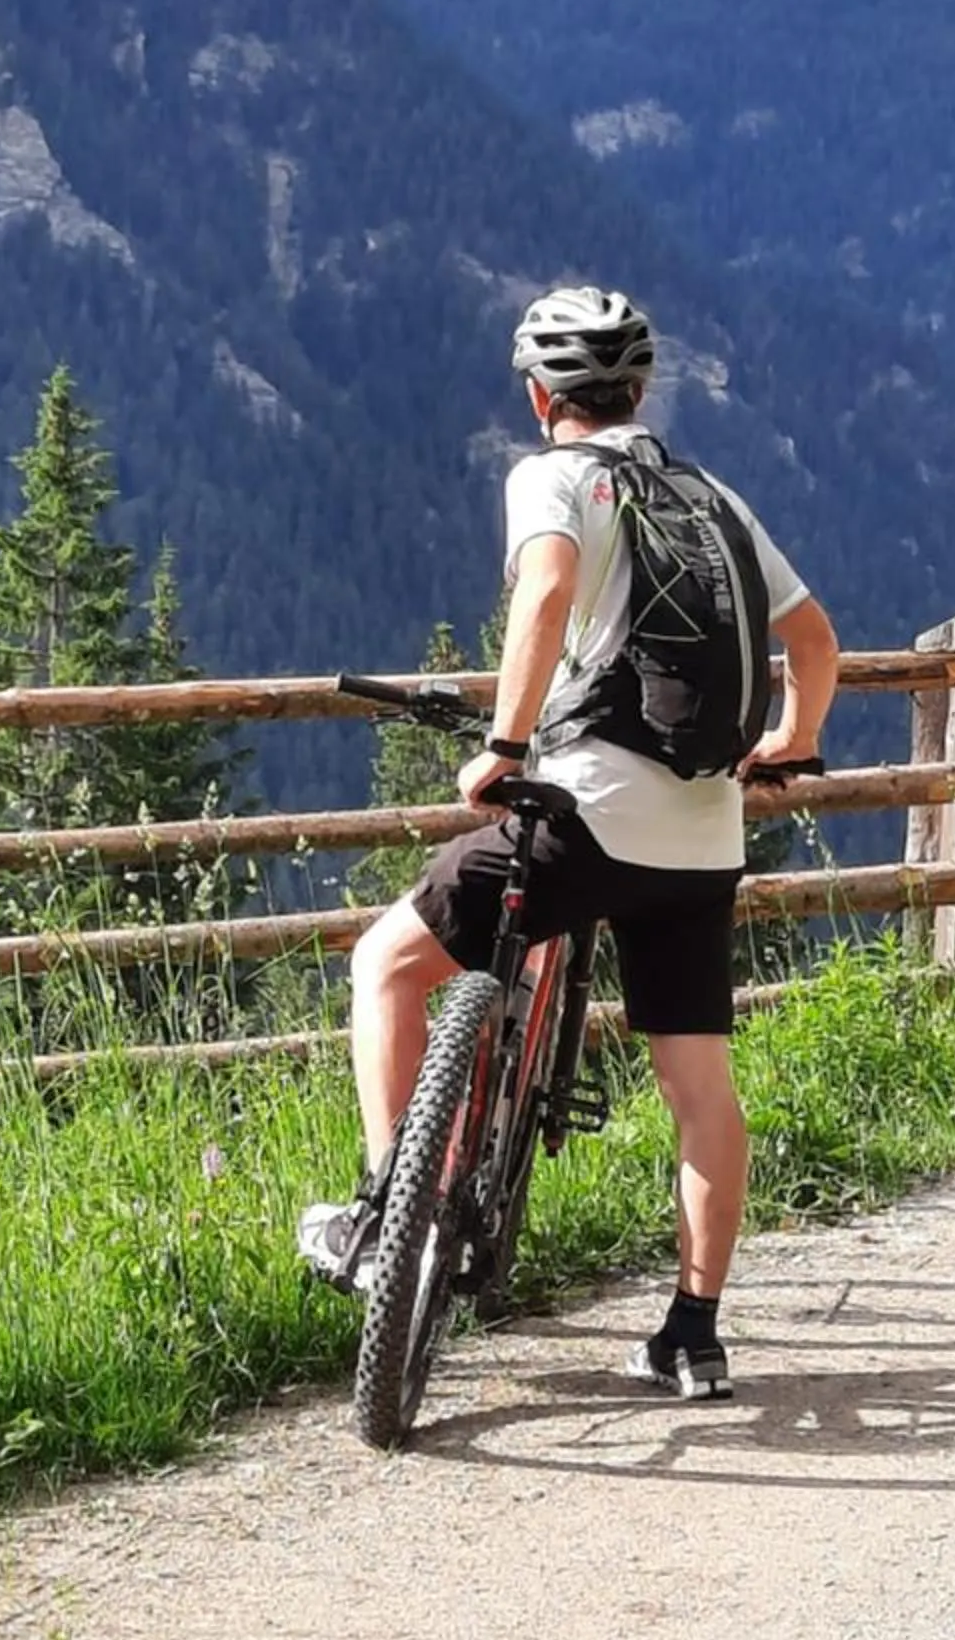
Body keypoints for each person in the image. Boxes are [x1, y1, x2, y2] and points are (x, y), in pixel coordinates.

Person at [298, 284, 841, 1399]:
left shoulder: (553, 477)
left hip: (586, 815)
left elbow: (545, 595)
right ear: (641, 391)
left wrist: (503, 746)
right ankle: (693, 1332)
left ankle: (388, 1211)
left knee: (385, 965)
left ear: (542, 397)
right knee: (701, 1090)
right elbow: (813, 636)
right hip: (701, 843)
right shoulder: (714, 496)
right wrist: (788, 741)